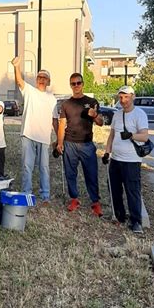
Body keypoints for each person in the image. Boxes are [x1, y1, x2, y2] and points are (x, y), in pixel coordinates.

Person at [11, 56, 58, 204]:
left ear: (49, 81)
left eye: (45, 77)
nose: (41, 79)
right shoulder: (30, 91)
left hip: (44, 138)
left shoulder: (52, 99)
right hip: (28, 135)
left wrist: (58, 139)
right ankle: (27, 193)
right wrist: (16, 67)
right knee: (27, 166)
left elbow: (55, 119)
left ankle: (45, 196)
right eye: (39, 77)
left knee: (44, 168)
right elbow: (19, 81)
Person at [103, 85, 149, 234]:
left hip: (132, 160)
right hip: (115, 159)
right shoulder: (117, 115)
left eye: (126, 97)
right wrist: (107, 152)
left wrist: (131, 135)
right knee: (114, 189)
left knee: (132, 191)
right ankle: (119, 215)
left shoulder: (139, 114)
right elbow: (112, 135)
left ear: (133, 97)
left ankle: (136, 221)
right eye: (121, 97)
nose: (123, 100)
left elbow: (144, 136)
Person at [56, 73, 104, 215]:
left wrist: (94, 115)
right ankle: (74, 199)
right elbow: (62, 124)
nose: (76, 86)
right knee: (70, 174)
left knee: (91, 174)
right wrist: (59, 143)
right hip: (69, 143)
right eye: (73, 83)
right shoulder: (66, 104)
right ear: (70, 85)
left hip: (87, 144)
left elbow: (101, 123)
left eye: (78, 83)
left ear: (82, 84)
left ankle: (95, 202)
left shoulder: (92, 101)